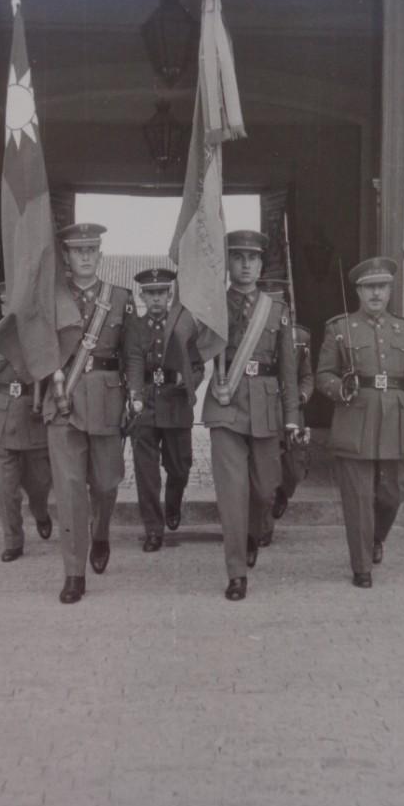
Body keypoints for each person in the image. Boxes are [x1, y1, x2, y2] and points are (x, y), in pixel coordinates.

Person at [316, 257, 404, 587]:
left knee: (392, 495)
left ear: (389, 290)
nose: (376, 293)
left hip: (393, 423)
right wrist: (338, 387)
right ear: (358, 291)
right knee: (358, 499)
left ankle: (375, 539)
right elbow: (323, 375)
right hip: (354, 420)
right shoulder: (339, 328)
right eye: (369, 287)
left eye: (382, 287)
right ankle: (361, 567)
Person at [203, 231, 300, 601]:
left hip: (265, 404)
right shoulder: (212, 305)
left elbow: (289, 369)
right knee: (232, 493)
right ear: (228, 262)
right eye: (238, 257)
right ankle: (236, 573)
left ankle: (251, 532)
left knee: (264, 488)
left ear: (261, 264)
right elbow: (194, 350)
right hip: (225, 405)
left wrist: (292, 417)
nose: (245, 264)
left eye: (252, 258)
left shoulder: (276, 310)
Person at [42, 223, 133, 605]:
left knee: (107, 483)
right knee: (69, 490)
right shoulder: (50, 299)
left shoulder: (120, 297)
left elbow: (133, 355)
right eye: (77, 251)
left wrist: (134, 397)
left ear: (99, 255)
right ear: (66, 255)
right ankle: (74, 572)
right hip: (63, 401)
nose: (84, 257)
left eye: (91, 250)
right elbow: (34, 345)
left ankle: (102, 532)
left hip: (107, 401)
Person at [0, 281, 53, 562]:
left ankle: (40, 512)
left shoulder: (41, 341)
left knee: (39, 484)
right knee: (5, 491)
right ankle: (13, 540)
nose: (9, 309)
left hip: (33, 418)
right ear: (1, 306)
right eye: (5, 304)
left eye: (14, 304)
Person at [123, 269, 204, 552]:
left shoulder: (183, 325)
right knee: (146, 473)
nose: (156, 298)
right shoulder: (135, 326)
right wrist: (134, 396)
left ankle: (173, 500)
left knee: (180, 466)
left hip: (176, 401)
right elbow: (132, 362)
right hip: (146, 403)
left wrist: (188, 380)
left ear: (169, 295)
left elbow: (197, 365)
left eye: (161, 293)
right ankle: (153, 530)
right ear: (142, 295)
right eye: (150, 293)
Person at [256, 278, 314, 547]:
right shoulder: (254, 334)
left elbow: (307, 376)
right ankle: (264, 527)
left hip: (292, 411)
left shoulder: (300, 337)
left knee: (293, 470)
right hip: (266, 410)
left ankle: (283, 494)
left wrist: (302, 395)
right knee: (265, 471)